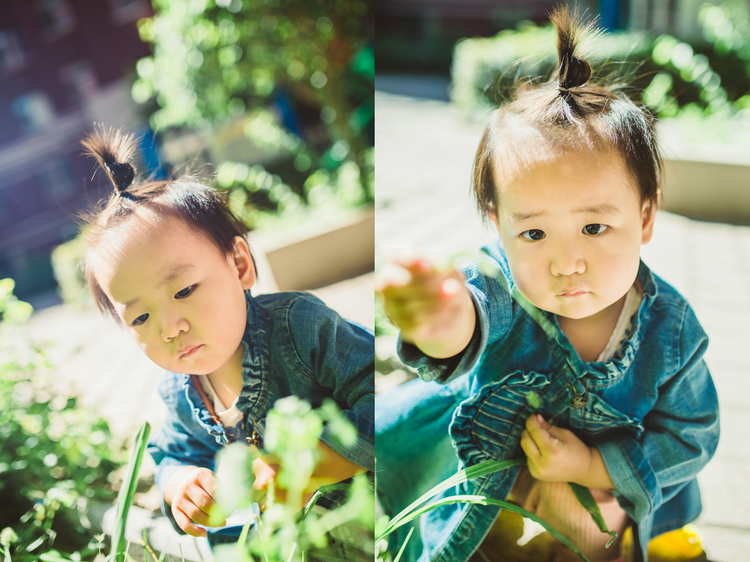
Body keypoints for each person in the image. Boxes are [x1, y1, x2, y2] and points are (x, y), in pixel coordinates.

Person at [375, 7, 719, 562]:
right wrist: (440, 322)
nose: (566, 262)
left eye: (593, 227)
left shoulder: (670, 332)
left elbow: (691, 435)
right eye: (533, 232)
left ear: (646, 217)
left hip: (605, 486)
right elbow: (468, 320)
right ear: (496, 225)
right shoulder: (501, 286)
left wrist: (587, 464)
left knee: (584, 521)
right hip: (497, 473)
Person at [79, 126, 374, 549]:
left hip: (372, 525)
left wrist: (304, 469)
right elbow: (171, 456)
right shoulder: (179, 394)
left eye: (183, 291)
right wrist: (180, 485)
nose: (170, 327)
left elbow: (382, 402)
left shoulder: (300, 330)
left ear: (239, 265)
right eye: (140, 317)